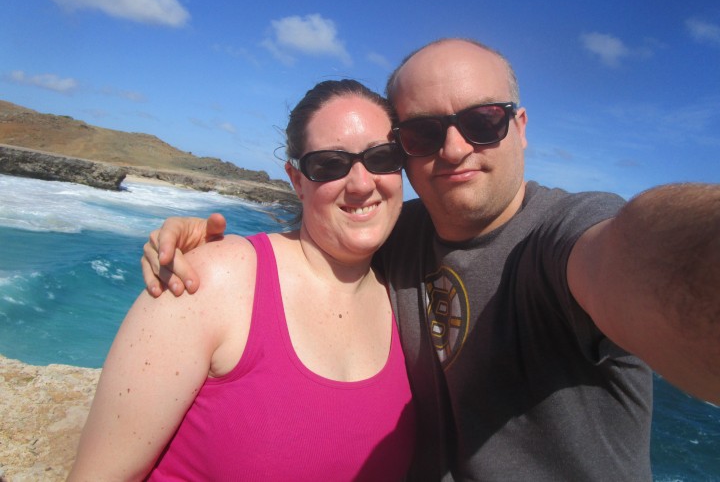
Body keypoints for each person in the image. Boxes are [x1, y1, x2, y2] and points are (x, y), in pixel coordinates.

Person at [141, 39, 720, 481]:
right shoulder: (395, 234)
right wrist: (203, 241)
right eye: (422, 133)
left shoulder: (561, 236)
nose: (454, 148)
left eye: (483, 121)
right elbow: (318, 232)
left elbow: (641, 253)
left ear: (519, 127)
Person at [68, 80, 416, 481]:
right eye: (329, 164)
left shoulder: (410, 291)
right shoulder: (212, 281)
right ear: (297, 180)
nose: (361, 183)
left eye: (382, 157)